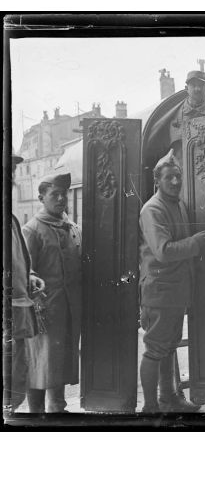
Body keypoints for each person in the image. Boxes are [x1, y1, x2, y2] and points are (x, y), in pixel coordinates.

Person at [138, 149, 205, 413]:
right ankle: (150, 408)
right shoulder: (152, 209)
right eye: (169, 177)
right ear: (157, 181)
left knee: (169, 347)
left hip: (174, 292)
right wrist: (195, 244)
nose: (175, 182)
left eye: (178, 176)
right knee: (155, 349)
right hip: (159, 293)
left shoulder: (178, 204)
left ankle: (168, 398)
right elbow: (163, 251)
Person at [22, 172, 81, 413]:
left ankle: (58, 409)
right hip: (43, 311)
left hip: (67, 308)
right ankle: (35, 414)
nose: (60, 199)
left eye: (63, 194)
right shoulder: (32, 229)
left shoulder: (71, 226)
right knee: (39, 363)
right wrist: (32, 278)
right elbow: (23, 269)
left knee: (60, 361)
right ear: (41, 198)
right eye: (54, 194)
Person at [3, 150, 46, 414]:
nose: (11, 176)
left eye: (11, 171)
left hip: (16, 311)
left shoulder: (12, 217)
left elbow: (16, 260)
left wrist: (28, 277)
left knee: (16, 380)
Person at [169, 69, 205, 164]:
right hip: (181, 170)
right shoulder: (174, 115)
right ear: (186, 88)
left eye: (201, 85)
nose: (197, 89)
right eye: (193, 85)